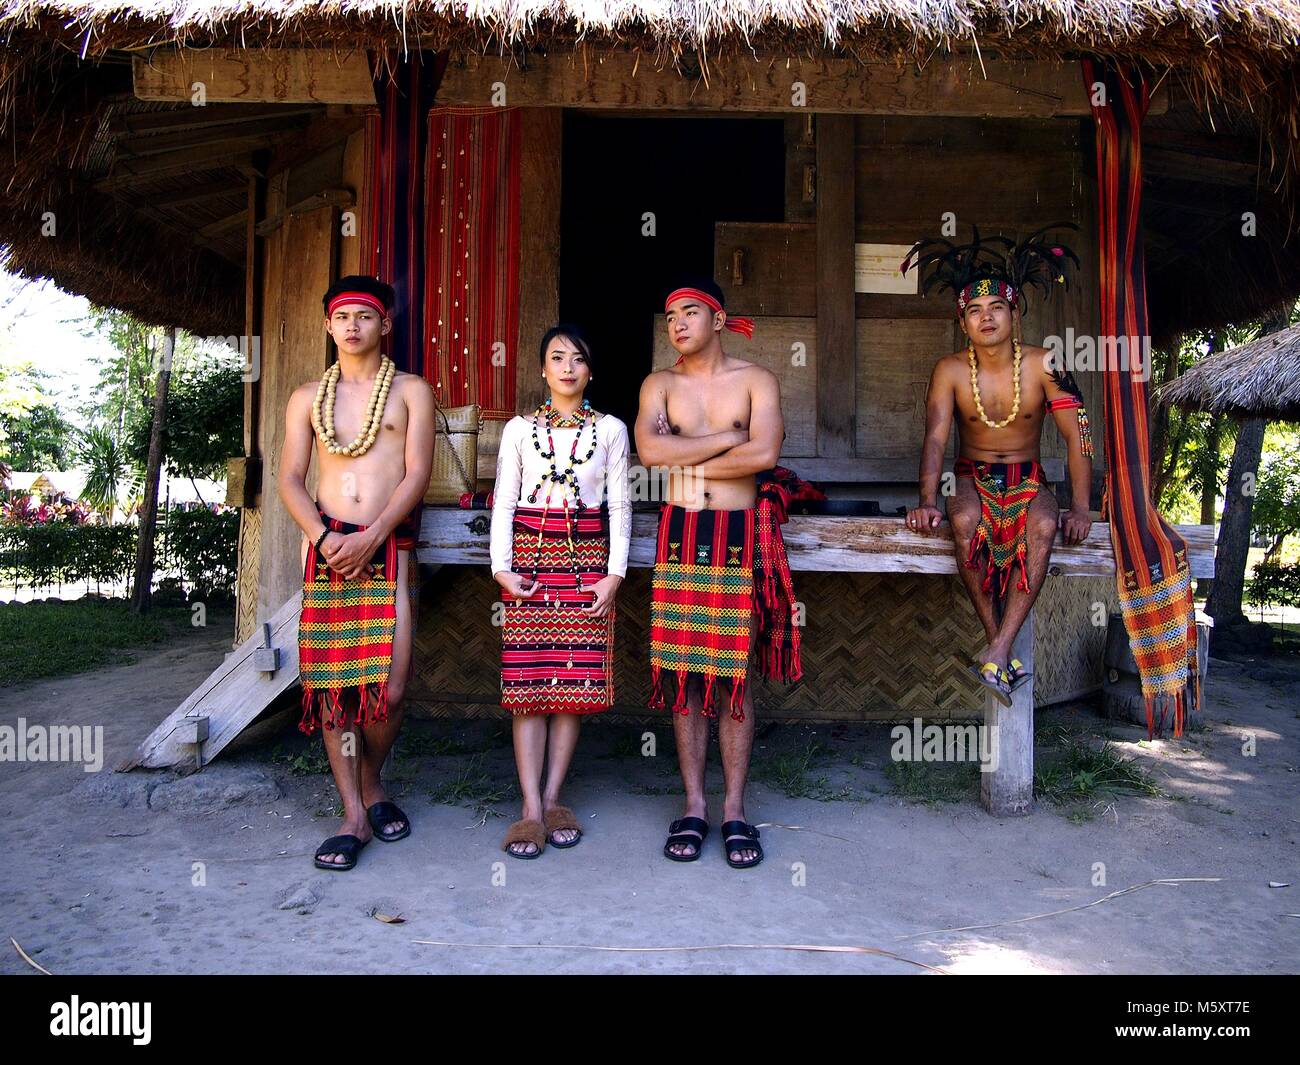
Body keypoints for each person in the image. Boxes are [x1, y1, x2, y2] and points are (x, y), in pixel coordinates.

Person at [634, 277, 802, 870]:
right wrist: (727, 437)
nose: (677, 323)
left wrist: (690, 447)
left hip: (735, 538)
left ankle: (734, 808)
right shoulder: (659, 383)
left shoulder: (757, 380)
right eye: (670, 314)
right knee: (684, 680)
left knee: (732, 677)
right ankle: (694, 805)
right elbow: (650, 457)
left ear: (719, 319)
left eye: (690, 312)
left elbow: (764, 456)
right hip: (681, 534)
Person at [278, 275, 434, 871]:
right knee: (335, 692)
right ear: (327, 326)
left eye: (365, 316)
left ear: (385, 325)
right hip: (326, 549)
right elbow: (291, 477)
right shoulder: (304, 399)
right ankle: (352, 814)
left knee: (389, 688)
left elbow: (416, 473)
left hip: (384, 544)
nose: (352, 325)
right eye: (341, 316)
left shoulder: (412, 391)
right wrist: (323, 535)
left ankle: (372, 780)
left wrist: (371, 536)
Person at [902, 227, 1093, 705]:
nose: (985, 318)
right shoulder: (949, 370)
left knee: (1046, 524)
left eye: (996, 308)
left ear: (1015, 312)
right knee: (963, 518)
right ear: (962, 319)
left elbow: (1079, 436)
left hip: (1030, 481)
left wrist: (1082, 507)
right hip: (972, 477)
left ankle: (996, 650)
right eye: (974, 310)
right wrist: (927, 501)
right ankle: (1001, 648)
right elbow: (935, 438)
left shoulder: (1047, 363)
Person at [491, 325, 631, 858]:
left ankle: (553, 799)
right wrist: (501, 567)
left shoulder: (612, 431)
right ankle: (528, 809)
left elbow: (619, 506)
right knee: (528, 686)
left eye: (578, 358)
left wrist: (614, 574)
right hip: (528, 564)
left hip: (587, 564)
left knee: (571, 687)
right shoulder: (519, 431)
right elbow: (504, 501)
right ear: (542, 370)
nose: (568, 366)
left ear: (590, 371)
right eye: (557, 357)